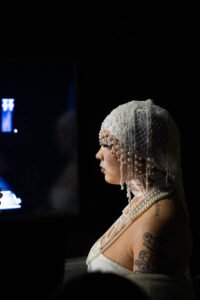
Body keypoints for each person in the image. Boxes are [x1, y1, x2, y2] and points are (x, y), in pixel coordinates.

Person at [86, 99, 196, 300]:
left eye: (107, 144)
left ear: (140, 151)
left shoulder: (157, 223)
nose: (98, 154)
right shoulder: (143, 202)